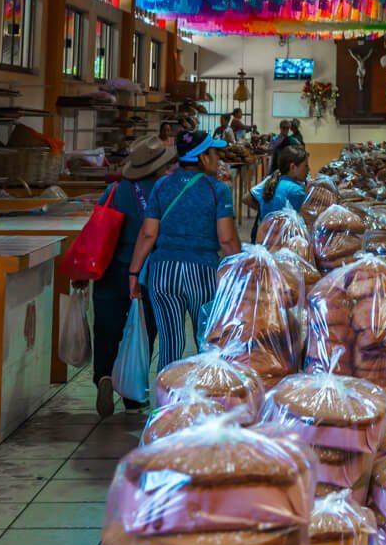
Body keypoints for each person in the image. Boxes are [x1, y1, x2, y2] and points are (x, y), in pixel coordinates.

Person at [128, 133, 241, 376]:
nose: (218, 159)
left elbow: (148, 234)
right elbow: (227, 239)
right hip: (202, 272)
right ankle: (201, 401)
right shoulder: (218, 189)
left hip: (163, 273)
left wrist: (134, 272)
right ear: (202, 157)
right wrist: (243, 272)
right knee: (206, 341)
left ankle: (166, 406)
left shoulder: (162, 185)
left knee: (169, 344)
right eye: (214, 154)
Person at [91, 134, 168, 416]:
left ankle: (103, 376)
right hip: (145, 273)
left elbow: (98, 226)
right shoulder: (163, 192)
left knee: (107, 328)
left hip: (110, 269)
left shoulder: (114, 190)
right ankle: (133, 393)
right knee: (142, 331)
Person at [255, 139, 310, 223]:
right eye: (305, 166)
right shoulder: (296, 190)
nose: (308, 169)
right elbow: (306, 221)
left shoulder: (271, 184)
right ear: (293, 167)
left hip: (266, 234)